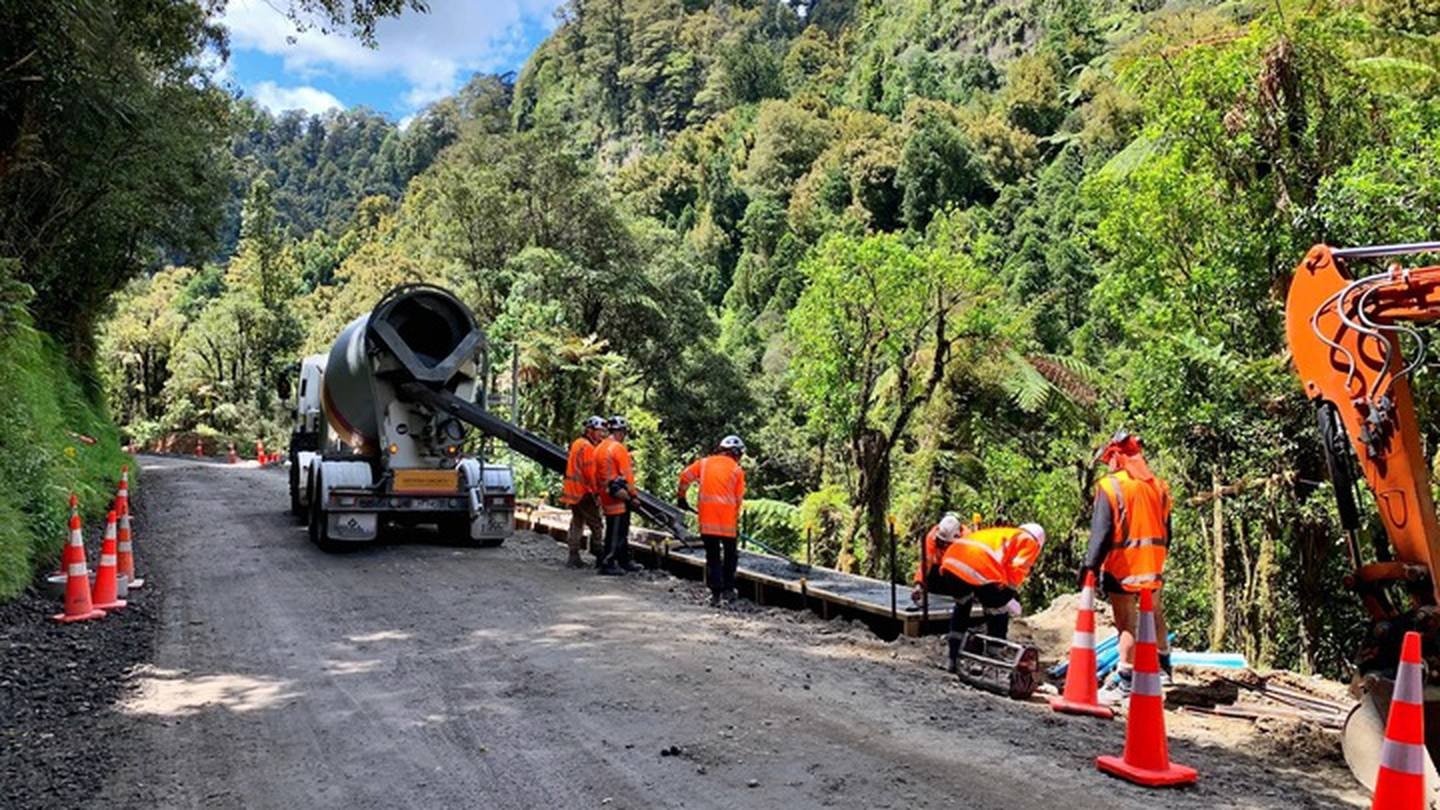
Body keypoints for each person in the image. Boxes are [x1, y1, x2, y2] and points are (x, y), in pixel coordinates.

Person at [1080, 430, 1173, 700]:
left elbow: (1102, 532)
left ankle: (1125, 678)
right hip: (1153, 562)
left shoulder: (1110, 487)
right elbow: (1169, 531)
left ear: (1117, 457)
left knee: (1126, 622)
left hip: (1124, 565)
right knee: (1155, 613)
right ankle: (1164, 669)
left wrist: (1090, 567)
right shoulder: (1159, 486)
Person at [912, 517, 1045, 672]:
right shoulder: (1029, 541)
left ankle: (953, 658)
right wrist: (1008, 595)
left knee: (962, 605)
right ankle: (993, 660)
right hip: (978, 566)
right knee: (998, 611)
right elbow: (1018, 569)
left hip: (950, 563)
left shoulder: (1001, 533)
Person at [677, 435, 746, 606]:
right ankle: (728, 590)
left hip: (707, 520)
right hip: (727, 522)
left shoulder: (704, 463)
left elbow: (685, 477)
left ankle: (715, 593)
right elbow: (738, 500)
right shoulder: (737, 471)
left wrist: (681, 497)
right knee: (730, 555)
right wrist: (735, 520)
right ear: (736, 453)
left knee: (713, 556)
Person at [595, 415, 642, 575]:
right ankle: (608, 562)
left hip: (606, 492)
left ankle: (623, 560)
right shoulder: (618, 448)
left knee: (617, 528)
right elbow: (627, 474)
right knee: (616, 530)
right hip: (617, 495)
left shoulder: (600, 447)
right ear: (621, 432)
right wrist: (633, 496)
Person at [561, 415, 608, 568]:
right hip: (584, 492)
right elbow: (590, 474)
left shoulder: (577, 443)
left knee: (577, 523)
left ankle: (573, 556)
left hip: (573, 492)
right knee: (596, 524)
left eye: (603, 431)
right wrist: (596, 493)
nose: (602, 435)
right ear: (590, 431)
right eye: (599, 431)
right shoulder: (587, 447)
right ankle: (600, 555)